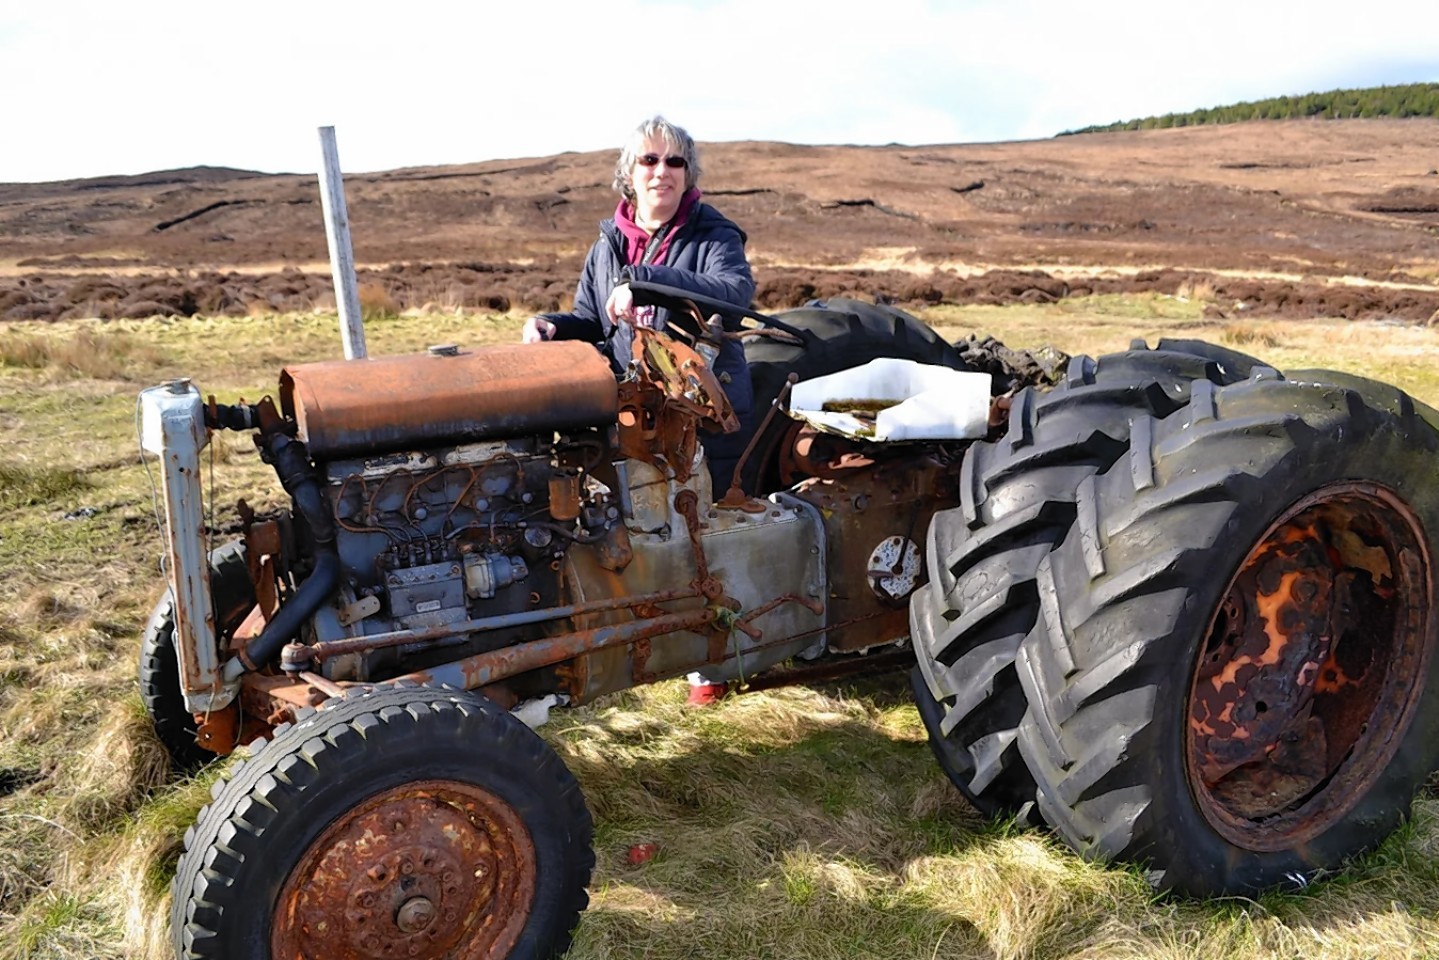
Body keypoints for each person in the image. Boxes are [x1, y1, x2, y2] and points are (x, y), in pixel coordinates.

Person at [522, 116, 756, 488]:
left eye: (675, 162)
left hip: (705, 422)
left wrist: (644, 281)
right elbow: (595, 321)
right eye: (649, 160)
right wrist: (554, 326)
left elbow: (735, 293)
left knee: (708, 531)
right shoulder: (607, 245)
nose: (662, 171)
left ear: (687, 174)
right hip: (633, 419)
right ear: (629, 174)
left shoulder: (715, 235)